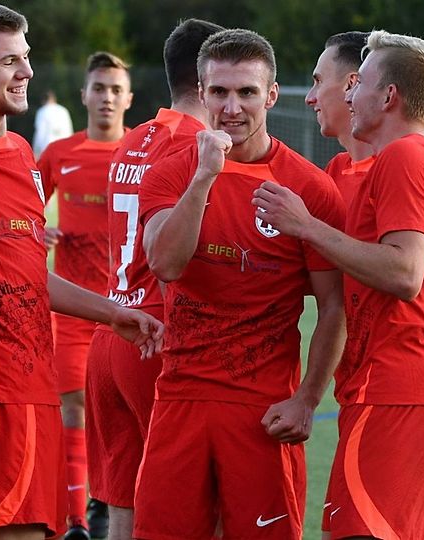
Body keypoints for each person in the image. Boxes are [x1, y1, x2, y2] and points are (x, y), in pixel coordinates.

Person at [0, 3, 163, 540]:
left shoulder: (19, 154)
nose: (28, 72)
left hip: (34, 384)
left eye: (26, 58)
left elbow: (28, 270)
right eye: (10, 61)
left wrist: (114, 314)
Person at [253, 30, 424, 540]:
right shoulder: (410, 158)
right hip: (418, 390)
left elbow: (404, 273)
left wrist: (306, 225)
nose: (349, 95)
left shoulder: (404, 157)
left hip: (398, 390)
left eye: (360, 83)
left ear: (387, 95)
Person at [134, 28, 347, 539]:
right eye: (220, 92)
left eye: (247, 92)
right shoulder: (171, 173)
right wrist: (205, 177)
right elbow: (165, 263)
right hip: (179, 398)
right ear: (201, 93)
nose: (233, 107)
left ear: (271, 96)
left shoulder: (309, 188)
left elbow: (335, 306)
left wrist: (308, 398)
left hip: (262, 409)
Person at [87, 18, 223, 540]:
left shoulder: (134, 139)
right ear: (206, 77)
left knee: (124, 496)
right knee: (190, 500)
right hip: (157, 332)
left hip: (111, 329)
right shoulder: (198, 144)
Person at [37, 50, 133, 539]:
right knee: (73, 408)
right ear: (84, 96)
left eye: (116, 90)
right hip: (73, 312)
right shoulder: (59, 154)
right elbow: (23, 215)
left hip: (131, 310)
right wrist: (40, 233)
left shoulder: (140, 152)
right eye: (99, 88)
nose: (107, 98)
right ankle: (79, 519)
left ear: (129, 98)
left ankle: (108, 500)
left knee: (124, 415)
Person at [306, 31, 424, 283]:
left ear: (352, 83)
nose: (309, 97)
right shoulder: (337, 169)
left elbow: (409, 273)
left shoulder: (405, 158)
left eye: (318, 81)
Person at [34, 89, 74, 158]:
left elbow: (40, 132)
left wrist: (36, 150)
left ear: (43, 101)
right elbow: (69, 129)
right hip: (65, 148)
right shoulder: (63, 110)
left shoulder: (42, 111)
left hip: (47, 148)